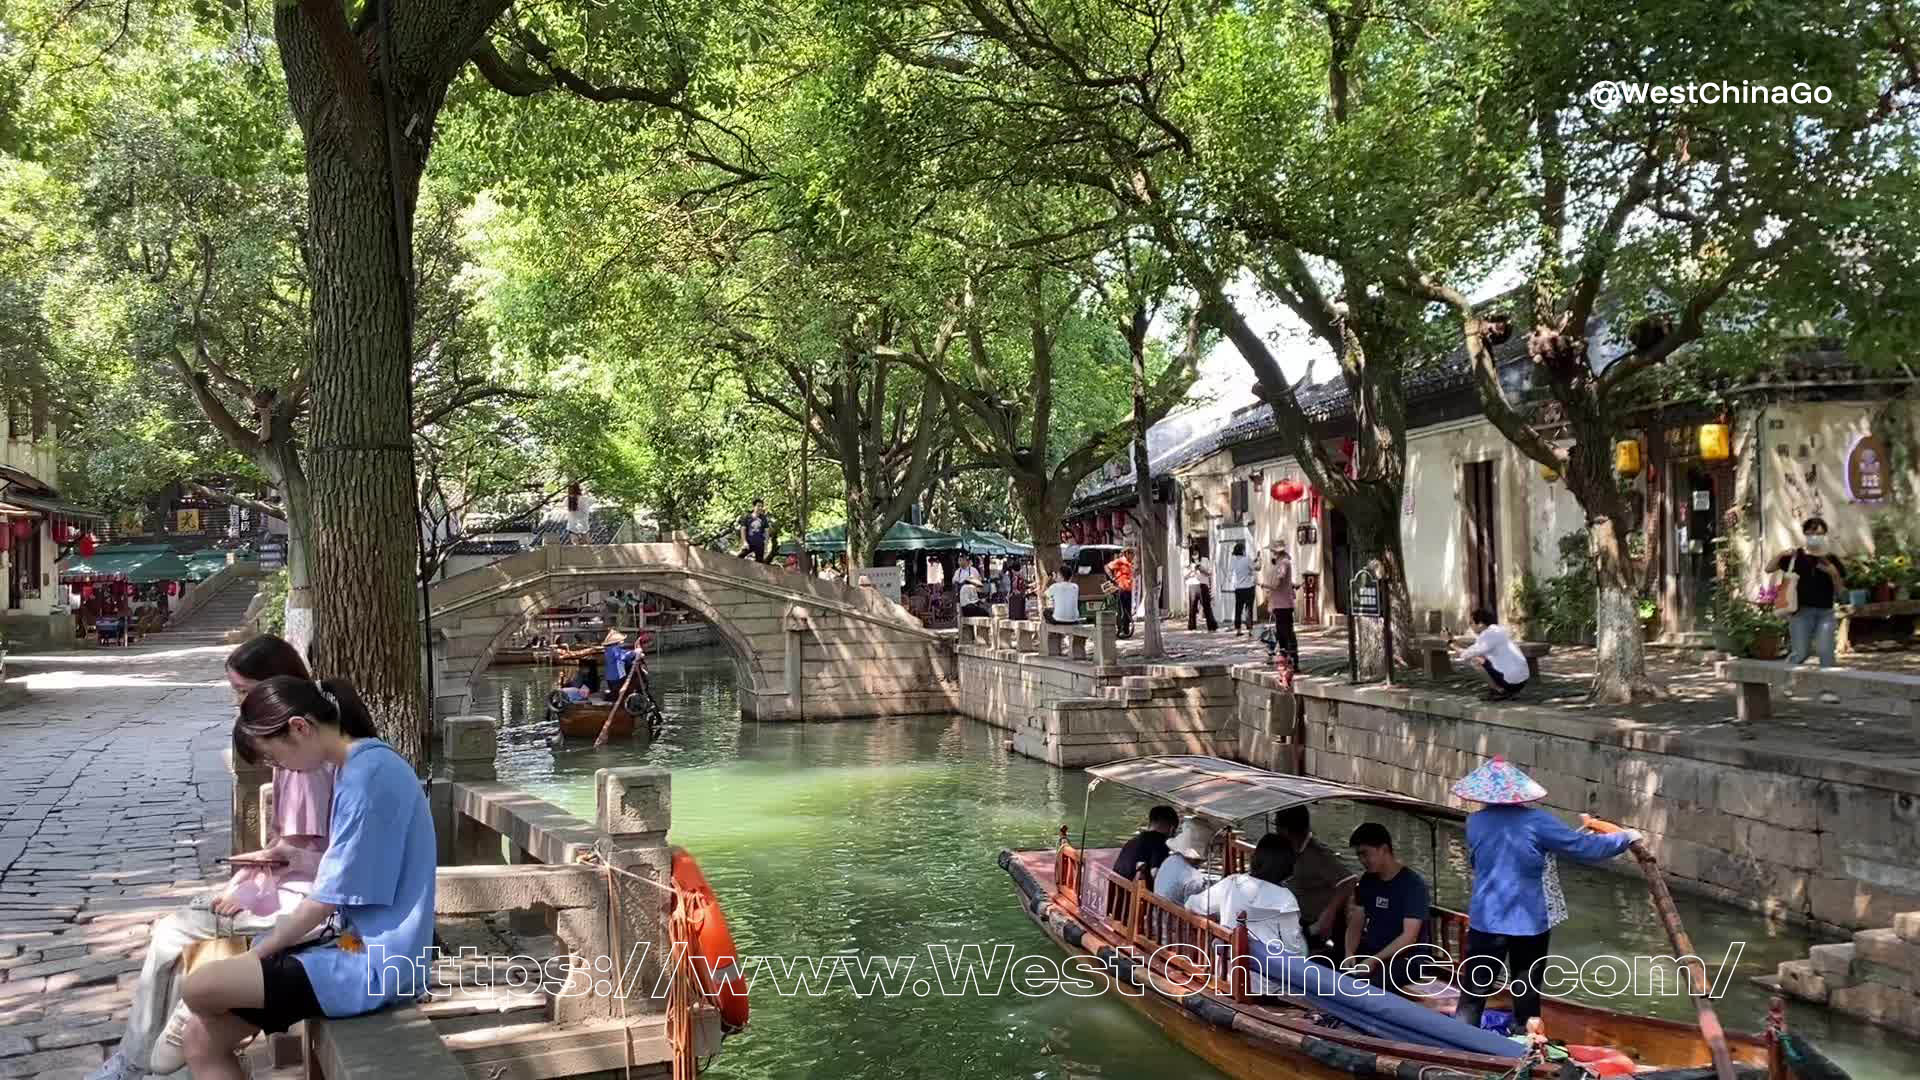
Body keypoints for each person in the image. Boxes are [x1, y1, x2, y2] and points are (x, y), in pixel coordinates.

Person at [91, 637, 332, 1080]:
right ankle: (143, 1055)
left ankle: (138, 1059)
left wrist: (250, 886)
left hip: (303, 909)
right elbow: (294, 852)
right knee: (179, 942)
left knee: (172, 936)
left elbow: (316, 862)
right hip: (292, 896)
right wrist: (250, 875)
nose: (239, 703)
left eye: (244, 691)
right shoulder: (299, 754)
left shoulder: (304, 764)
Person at [178, 676, 434, 1079]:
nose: (280, 769)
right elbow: (356, 872)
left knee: (196, 986)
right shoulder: (359, 767)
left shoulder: (369, 777)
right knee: (199, 1038)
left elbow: (326, 898)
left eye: (276, 759)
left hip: (374, 962)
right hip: (346, 944)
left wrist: (258, 954)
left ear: (300, 727)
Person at [1450, 757, 1639, 1032]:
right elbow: (1585, 847)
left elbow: (1480, 862)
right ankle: (1527, 1047)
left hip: (1485, 921)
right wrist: (1626, 837)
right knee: (1526, 993)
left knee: (1473, 995)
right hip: (1527, 924)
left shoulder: (1474, 823)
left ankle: (1461, 1043)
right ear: (1520, 794)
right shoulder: (1537, 822)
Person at [1185, 834, 1308, 991]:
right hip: (1263, 985)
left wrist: (1217, 917)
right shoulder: (1286, 899)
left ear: (1256, 858)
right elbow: (1293, 950)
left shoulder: (1232, 882)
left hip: (1225, 973)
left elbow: (1191, 905)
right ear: (1288, 865)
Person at [1343, 823, 1434, 994]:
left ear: (1383, 849)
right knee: (1332, 971)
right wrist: (1349, 953)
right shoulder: (1368, 880)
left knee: (1368, 986)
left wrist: (1375, 960)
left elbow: (1409, 937)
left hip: (1407, 959)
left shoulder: (1413, 885)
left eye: (1365, 854)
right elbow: (1357, 921)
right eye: (1358, 855)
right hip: (1373, 952)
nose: (1362, 860)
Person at [1775, 516, 1846, 701]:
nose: (1815, 536)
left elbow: (1841, 593)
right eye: (1811, 532)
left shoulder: (1831, 559)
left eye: (1820, 533)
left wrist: (1834, 574)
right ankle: (1786, 682)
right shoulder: (1796, 556)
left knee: (1826, 651)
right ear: (1805, 534)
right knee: (1801, 652)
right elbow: (1769, 568)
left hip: (1825, 612)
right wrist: (1781, 554)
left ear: (1825, 535)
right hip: (1801, 612)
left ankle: (1828, 690)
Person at [1272, 806, 1355, 957]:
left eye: (1278, 827)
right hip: (1294, 917)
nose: (1276, 832)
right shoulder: (1288, 851)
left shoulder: (1318, 855)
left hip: (1314, 924)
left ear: (1288, 831)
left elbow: (1348, 880)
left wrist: (1328, 915)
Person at [1457, 608, 1529, 701]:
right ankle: (1506, 689)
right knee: (1482, 657)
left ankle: (1498, 690)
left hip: (1512, 683)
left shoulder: (1487, 636)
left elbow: (1466, 654)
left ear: (1481, 624)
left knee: (1475, 660)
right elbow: (1476, 648)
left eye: (1471, 623)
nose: (1470, 626)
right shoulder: (1498, 629)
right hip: (1523, 680)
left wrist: (1449, 642)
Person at [1153, 817, 1217, 904]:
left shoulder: (1170, 860)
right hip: (1175, 916)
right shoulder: (1194, 880)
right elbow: (1198, 911)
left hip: (1157, 914)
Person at [1112, 805, 1180, 884]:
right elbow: (1156, 874)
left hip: (1120, 890)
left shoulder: (1132, 841)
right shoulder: (1160, 842)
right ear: (1172, 829)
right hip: (1134, 894)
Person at [1262, 542, 1298, 665]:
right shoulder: (1280, 563)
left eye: (1273, 552)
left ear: (1277, 552)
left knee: (1285, 633)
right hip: (1278, 603)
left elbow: (1278, 580)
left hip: (1283, 604)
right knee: (1283, 632)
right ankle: (1285, 659)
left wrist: (1265, 585)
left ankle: (1289, 660)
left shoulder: (1283, 563)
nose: (1272, 554)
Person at [1105, 546, 1136, 639]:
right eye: (1132, 554)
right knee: (1121, 611)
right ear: (1127, 554)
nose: (1133, 556)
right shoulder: (1120, 561)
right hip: (1121, 589)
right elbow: (1107, 567)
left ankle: (1126, 630)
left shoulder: (1130, 564)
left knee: (1128, 611)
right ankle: (1120, 630)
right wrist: (1112, 578)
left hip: (1128, 590)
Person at [1185, 547, 1218, 632]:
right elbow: (1185, 576)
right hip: (1192, 585)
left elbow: (1209, 573)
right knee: (1192, 608)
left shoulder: (1205, 560)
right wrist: (1192, 571)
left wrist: (1201, 568)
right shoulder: (1189, 563)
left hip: (1203, 585)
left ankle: (1212, 626)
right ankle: (1192, 627)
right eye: (1193, 554)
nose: (1195, 556)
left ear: (1199, 553)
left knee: (1207, 606)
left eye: (1196, 554)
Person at [1227, 541, 1256, 635]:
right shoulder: (1247, 558)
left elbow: (1232, 572)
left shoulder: (1233, 560)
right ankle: (1250, 629)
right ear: (1243, 550)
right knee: (1249, 609)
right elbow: (1255, 568)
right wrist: (1258, 561)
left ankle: (1238, 629)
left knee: (1238, 609)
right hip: (1248, 587)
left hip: (1238, 588)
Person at [737, 498, 774, 564]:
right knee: (738, 558)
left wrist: (766, 543)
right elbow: (743, 530)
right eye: (758, 506)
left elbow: (767, 531)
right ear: (754, 507)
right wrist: (745, 542)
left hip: (759, 544)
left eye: (761, 506)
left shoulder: (763, 518)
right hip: (749, 543)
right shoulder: (747, 517)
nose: (760, 508)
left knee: (759, 563)